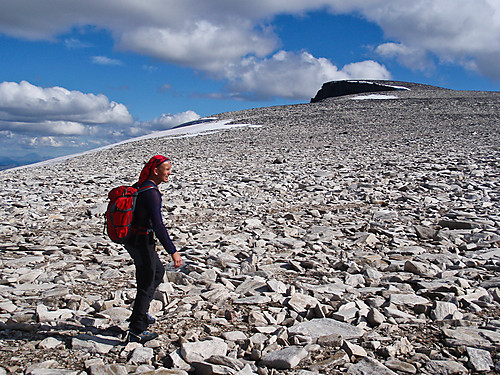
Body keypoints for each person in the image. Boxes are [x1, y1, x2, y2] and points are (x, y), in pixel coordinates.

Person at [125, 155, 183, 343]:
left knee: (157, 272)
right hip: (142, 241)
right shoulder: (151, 192)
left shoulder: (142, 186)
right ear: (155, 171)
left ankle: (141, 313)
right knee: (146, 282)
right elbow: (158, 225)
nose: (170, 173)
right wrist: (173, 251)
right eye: (167, 169)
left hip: (135, 240)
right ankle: (136, 329)